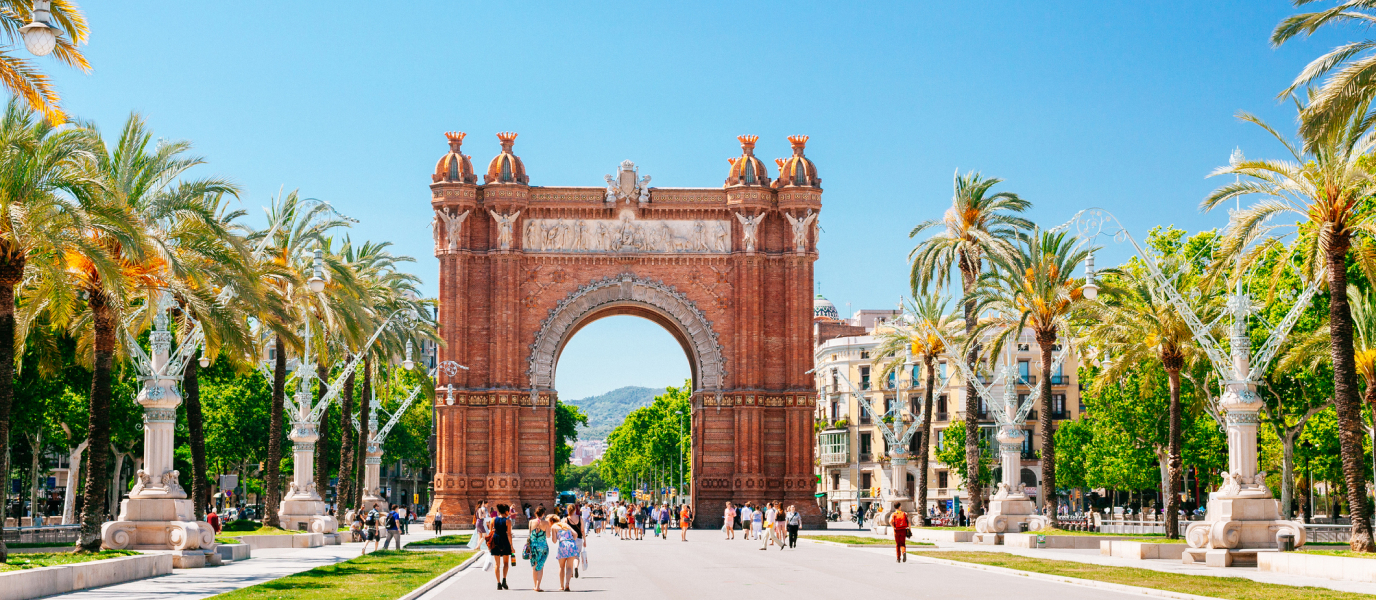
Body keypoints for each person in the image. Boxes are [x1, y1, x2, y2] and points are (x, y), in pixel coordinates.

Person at [488, 504, 514, 590]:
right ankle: (504, 580)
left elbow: (491, 532)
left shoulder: (493, 519)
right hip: (504, 540)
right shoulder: (508, 521)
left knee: (497, 564)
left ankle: (498, 583)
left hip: (495, 541)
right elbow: (509, 534)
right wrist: (511, 546)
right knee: (506, 563)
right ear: (506, 511)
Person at [526, 506, 551, 592]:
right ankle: (538, 586)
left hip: (533, 546)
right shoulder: (546, 523)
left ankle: (534, 585)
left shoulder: (531, 522)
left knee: (534, 566)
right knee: (540, 566)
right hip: (543, 546)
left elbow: (530, 534)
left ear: (535, 513)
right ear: (543, 514)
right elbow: (548, 535)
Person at [552, 515, 579, 592]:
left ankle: (561, 586)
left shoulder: (554, 527)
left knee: (561, 566)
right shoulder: (566, 525)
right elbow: (576, 534)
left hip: (563, 545)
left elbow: (554, 541)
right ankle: (567, 584)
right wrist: (571, 540)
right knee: (570, 567)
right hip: (571, 544)